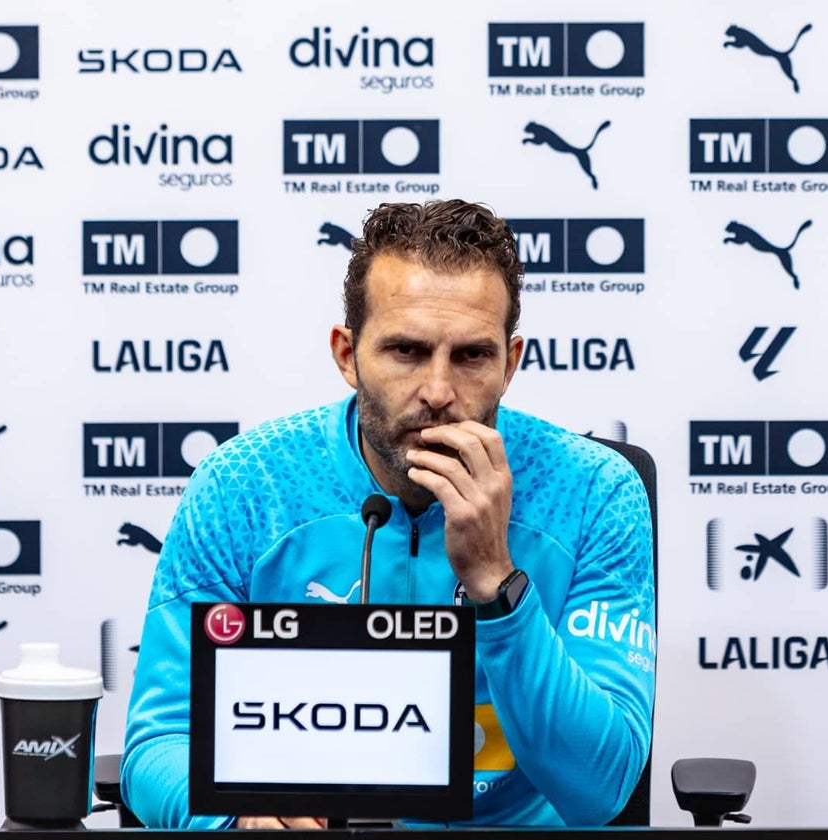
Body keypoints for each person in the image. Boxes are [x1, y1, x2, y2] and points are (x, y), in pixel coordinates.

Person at [122, 199, 655, 828]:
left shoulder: (593, 492)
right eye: (405, 350)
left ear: (510, 364)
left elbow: (601, 787)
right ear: (347, 354)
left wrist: (496, 584)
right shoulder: (245, 485)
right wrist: (237, 819)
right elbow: (158, 744)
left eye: (472, 356)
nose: (437, 391)